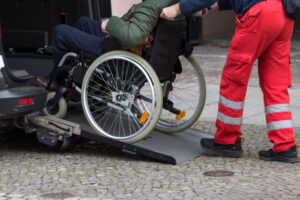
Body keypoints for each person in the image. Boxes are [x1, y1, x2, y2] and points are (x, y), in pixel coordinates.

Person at [161, 0, 299, 163]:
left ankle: (227, 140)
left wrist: (178, 8)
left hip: (259, 13)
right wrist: (211, 6)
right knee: (275, 83)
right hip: (282, 15)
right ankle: (285, 145)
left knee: (234, 78)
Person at [35, 0, 179, 88]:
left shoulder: (151, 7)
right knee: (82, 22)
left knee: (60, 31)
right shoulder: (173, 5)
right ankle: (75, 80)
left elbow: (133, 37)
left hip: (116, 50)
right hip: (128, 48)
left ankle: (57, 82)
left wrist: (111, 23)